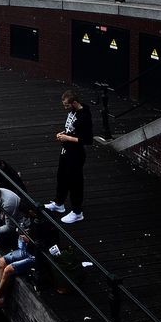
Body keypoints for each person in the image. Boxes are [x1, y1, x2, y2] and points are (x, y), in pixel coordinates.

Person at [44, 90, 93, 224]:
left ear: (75, 103)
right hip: (66, 151)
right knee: (61, 177)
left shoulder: (84, 117)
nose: (65, 108)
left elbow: (87, 139)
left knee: (75, 182)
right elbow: (72, 129)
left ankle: (77, 212)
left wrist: (67, 138)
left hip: (76, 154)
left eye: (67, 105)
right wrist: (64, 134)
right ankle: (59, 203)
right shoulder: (73, 112)